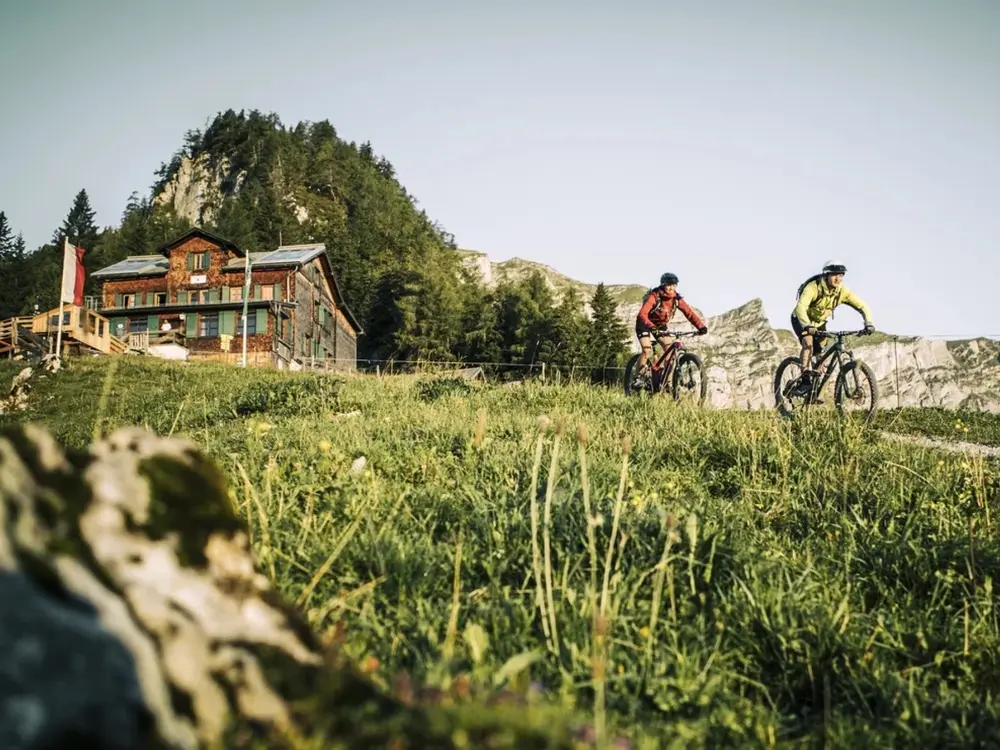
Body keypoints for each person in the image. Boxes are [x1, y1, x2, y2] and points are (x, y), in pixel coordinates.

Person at [790, 260, 875, 396]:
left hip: (820, 323)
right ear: (826, 275)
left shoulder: (842, 291)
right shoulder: (813, 287)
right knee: (808, 344)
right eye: (834, 275)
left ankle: (815, 391)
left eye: (841, 275)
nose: (838, 278)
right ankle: (805, 381)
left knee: (820, 356)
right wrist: (807, 325)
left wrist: (868, 322)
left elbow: (862, 306)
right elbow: (801, 307)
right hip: (801, 319)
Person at [634, 272, 708, 378]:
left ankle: (665, 382)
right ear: (663, 285)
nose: (671, 288)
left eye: (674, 285)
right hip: (644, 324)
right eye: (669, 285)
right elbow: (642, 314)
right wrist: (651, 327)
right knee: (647, 350)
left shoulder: (676, 299)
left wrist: (700, 326)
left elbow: (689, 313)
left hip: (660, 325)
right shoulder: (655, 296)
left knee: (670, 352)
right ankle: (638, 378)